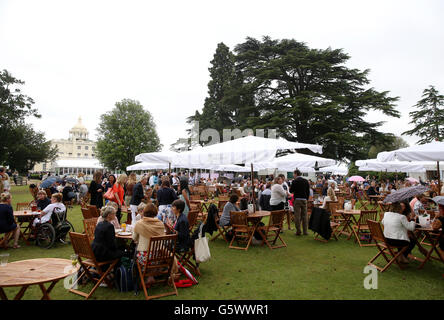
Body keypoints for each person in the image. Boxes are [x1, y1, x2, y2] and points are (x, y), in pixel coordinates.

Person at [133, 203, 179, 284]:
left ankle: (144, 277)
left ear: (144, 212)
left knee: (135, 253)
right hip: (159, 257)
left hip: (145, 259)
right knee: (150, 253)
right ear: (155, 213)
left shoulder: (139, 223)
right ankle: (152, 275)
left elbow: (134, 238)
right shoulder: (160, 224)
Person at [290, 169, 310, 236]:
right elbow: (308, 191)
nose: (293, 175)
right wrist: (306, 199)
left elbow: (291, 190)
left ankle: (298, 231)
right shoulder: (305, 181)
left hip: (297, 199)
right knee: (304, 216)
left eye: (293, 174)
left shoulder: (294, 181)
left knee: (297, 216)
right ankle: (305, 231)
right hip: (304, 199)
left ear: (296, 174)